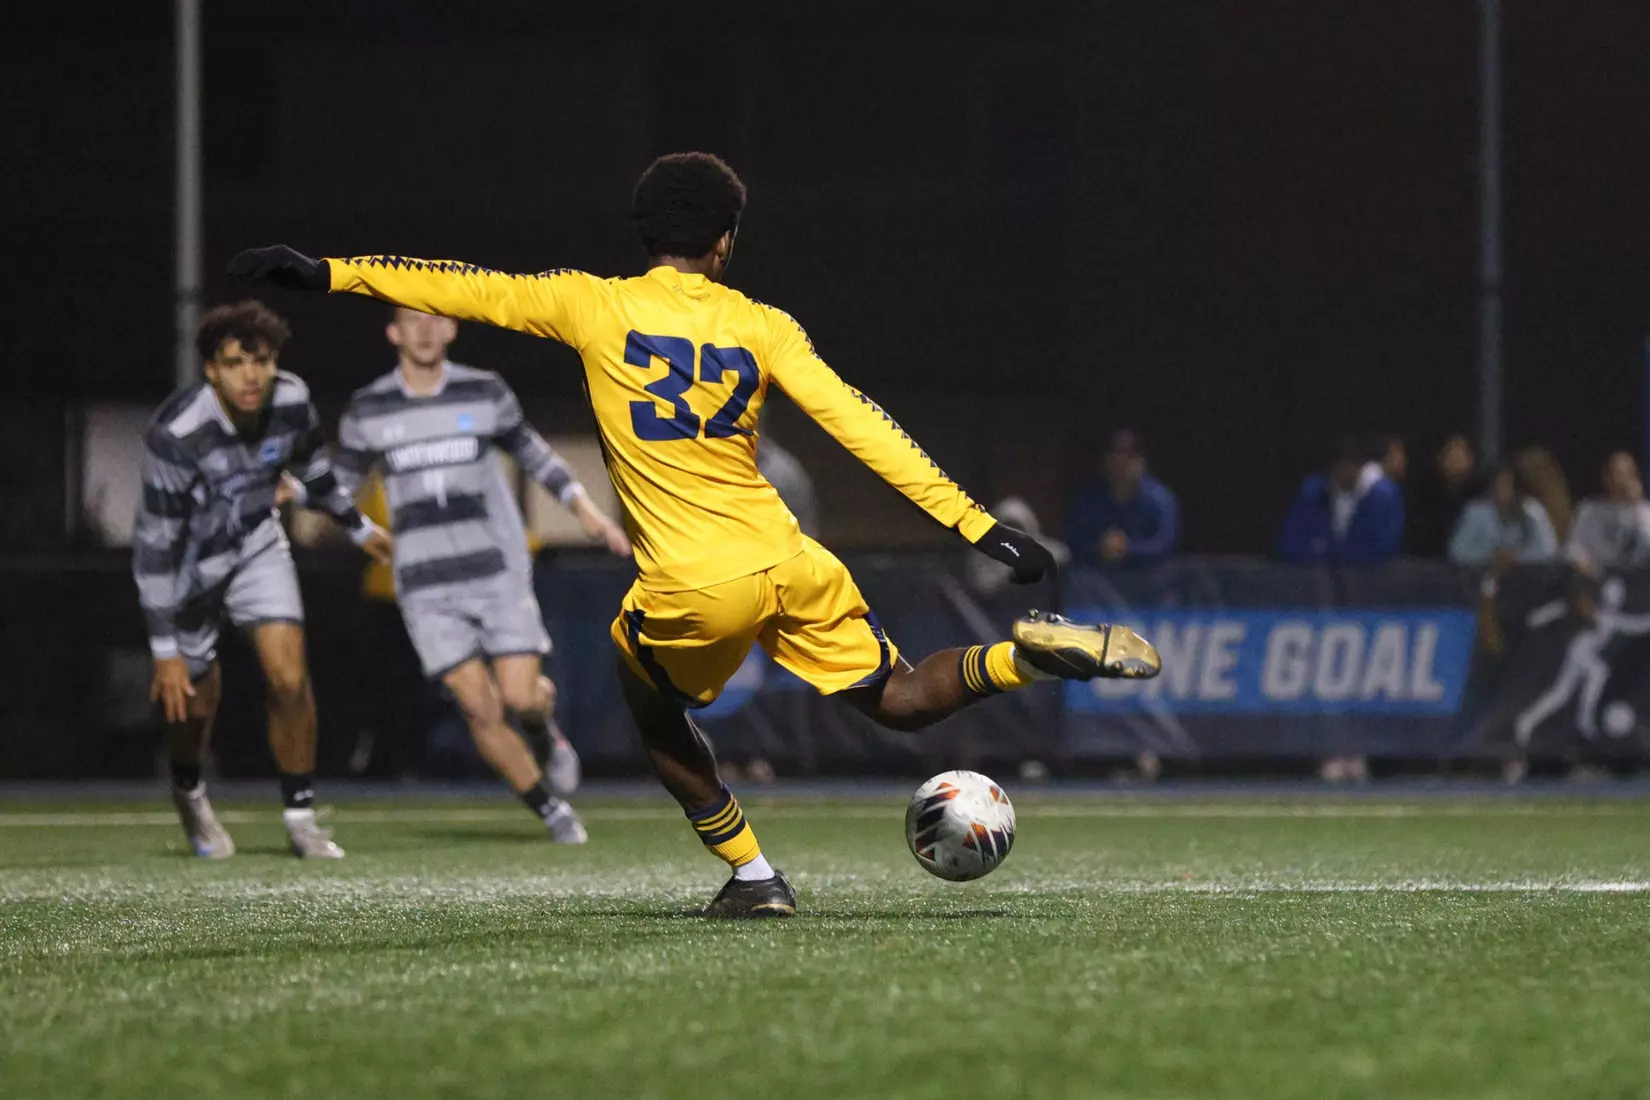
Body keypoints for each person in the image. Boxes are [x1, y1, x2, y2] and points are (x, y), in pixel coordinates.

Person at [230, 150, 1160, 918]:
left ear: (646, 233)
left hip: (690, 581)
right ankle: (1028, 661)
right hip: (790, 556)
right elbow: (858, 422)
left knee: (649, 703)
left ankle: (753, 877)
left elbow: (464, 289)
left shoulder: (590, 303)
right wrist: (978, 524)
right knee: (902, 696)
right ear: (725, 241)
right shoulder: (763, 325)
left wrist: (325, 272)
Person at [325, 306, 633, 843]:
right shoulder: (369, 408)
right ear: (392, 332)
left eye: (433, 320)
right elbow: (337, 486)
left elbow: (536, 456)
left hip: (496, 574)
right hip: (425, 587)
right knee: (479, 706)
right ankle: (550, 810)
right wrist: (305, 494)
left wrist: (588, 512)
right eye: (410, 321)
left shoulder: (485, 392)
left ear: (450, 328)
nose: (423, 329)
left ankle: (544, 730)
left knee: (519, 697)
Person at [133, 300, 392, 859]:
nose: (252, 376)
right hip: (189, 568)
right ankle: (190, 792)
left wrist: (357, 526)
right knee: (191, 703)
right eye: (235, 363)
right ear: (210, 369)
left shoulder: (291, 399)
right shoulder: (176, 432)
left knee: (290, 677)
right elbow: (154, 547)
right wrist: (163, 651)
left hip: (257, 548)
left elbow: (316, 474)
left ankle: (300, 819)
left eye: (262, 360)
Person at [1277, 436, 1404, 565]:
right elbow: (1290, 541)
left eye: (1349, 466)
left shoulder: (1384, 495)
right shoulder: (1314, 491)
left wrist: (1332, 553)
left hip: (1368, 577)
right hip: (1317, 576)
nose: (1344, 473)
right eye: (1339, 467)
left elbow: (1383, 546)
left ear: (1360, 465)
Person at [1063, 430, 1179, 570]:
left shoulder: (1160, 498)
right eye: (1117, 455)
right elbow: (1072, 540)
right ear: (1106, 460)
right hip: (1098, 575)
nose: (1124, 463)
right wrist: (1100, 548)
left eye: (1131, 456)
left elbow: (1165, 545)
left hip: (1149, 577)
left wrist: (1127, 549)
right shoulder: (1088, 497)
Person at [1448, 464, 1559, 567]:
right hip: (1482, 575)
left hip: (1526, 576)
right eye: (1497, 485)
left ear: (1515, 488)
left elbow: (1549, 550)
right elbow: (1457, 551)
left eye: (1505, 485)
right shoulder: (1475, 511)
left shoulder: (1532, 510)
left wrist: (1517, 557)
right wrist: (1491, 556)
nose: (1500, 490)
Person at [1567, 451, 1650, 574]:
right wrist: (1581, 561)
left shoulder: (1644, 511)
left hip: (1637, 577)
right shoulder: (1589, 509)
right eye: (1616, 474)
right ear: (1606, 477)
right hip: (1597, 575)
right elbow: (1573, 546)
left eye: (1627, 474)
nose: (1621, 480)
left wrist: (1637, 506)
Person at [1409, 434, 1480, 557]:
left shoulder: (1480, 495)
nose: (1455, 459)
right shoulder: (1423, 494)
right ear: (1440, 458)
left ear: (1471, 459)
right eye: (1450, 453)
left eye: (1460, 454)